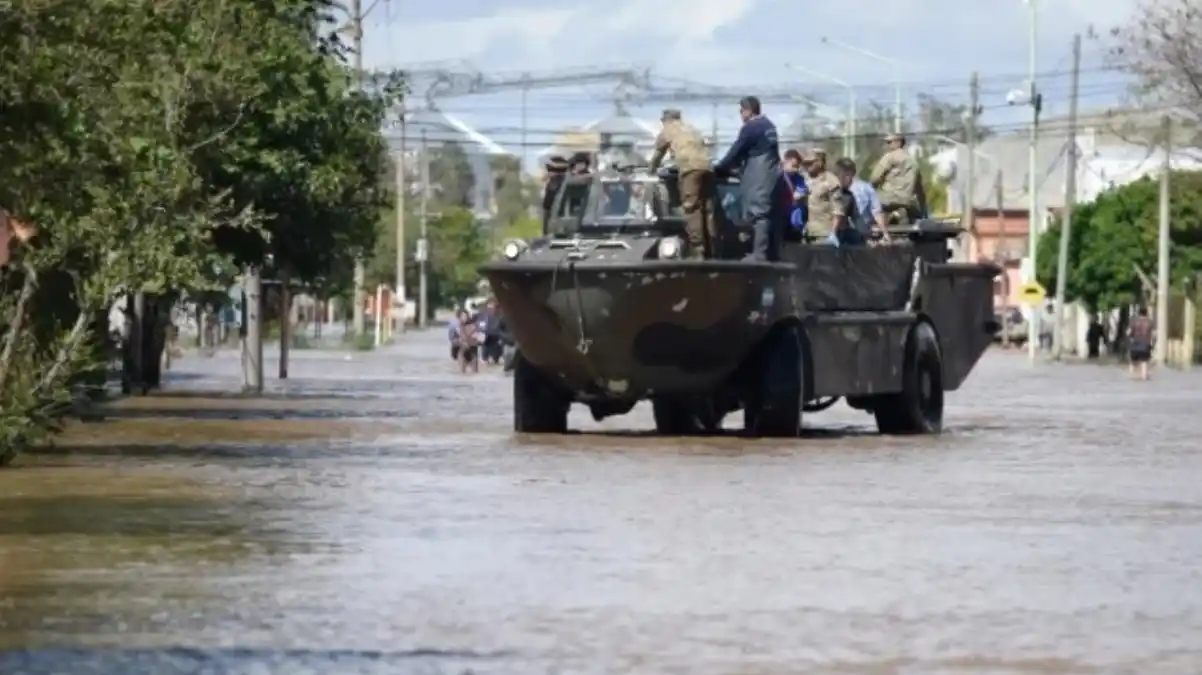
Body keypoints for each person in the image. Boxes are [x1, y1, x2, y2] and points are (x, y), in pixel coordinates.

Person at [714, 96, 784, 262]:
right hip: (770, 174)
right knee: (768, 212)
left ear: (748, 110)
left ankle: (759, 254)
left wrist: (720, 168)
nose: (740, 115)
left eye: (741, 111)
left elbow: (737, 151)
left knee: (758, 212)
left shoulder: (752, 127)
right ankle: (770, 252)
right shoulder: (769, 126)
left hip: (759, 174)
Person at [648, 108, 718, 259]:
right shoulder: (692, 129)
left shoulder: (668, 130)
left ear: (666, 120)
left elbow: (658, 154)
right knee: (707, 208)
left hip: (690, 169)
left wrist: (650, 170)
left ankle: (697, 249)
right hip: (708, 168)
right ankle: (712, 247)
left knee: (691, 209)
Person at [869, 133, 927, 225]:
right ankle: (898, 214)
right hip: (906, 201)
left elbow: (875, 178)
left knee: (868, 209)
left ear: (898, 143)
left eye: (889, 142)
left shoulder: (889, 157)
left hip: (888, 199)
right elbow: (919, 189)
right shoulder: (913, 162)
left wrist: (870, 191)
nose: (886, 145)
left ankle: (881, 224)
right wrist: (923, 209)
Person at [833, 157, 889, 243]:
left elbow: (876, 212)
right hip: (839, 233)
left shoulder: (865, 189)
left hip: (860, 233)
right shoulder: (834, 190)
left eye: (847, 174)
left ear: (852, 174)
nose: (844, 178)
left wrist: (884, 232)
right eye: (840, 174)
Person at [801, 149, 847, 245]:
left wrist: (833, 232)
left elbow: (838, 209)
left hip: (824, 233)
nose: (808, 166)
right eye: (806, 163)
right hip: (807, 232)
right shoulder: (804, 179)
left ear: (820, 162)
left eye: (811, 163)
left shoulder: (831, 181)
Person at [781, 149, 808, 240]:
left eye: (797, 166)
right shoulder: (778, 177)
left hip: (796, 224)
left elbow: (801, 193)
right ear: (786, 161)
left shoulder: (799, 178)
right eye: (794, 165)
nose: (796, 169)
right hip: (782, 222)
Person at [541, 156, 569, 235]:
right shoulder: (551, 183)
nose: (550, 172)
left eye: (552, 170)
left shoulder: (560, 182)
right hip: (551, 214)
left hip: (559, 216)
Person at [1128, 307, 1154, 380]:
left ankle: (1131, 378)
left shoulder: (1134, 321)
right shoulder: (1150, 322)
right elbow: (1154, 335)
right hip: (1145, 345)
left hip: (1135, 344)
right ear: (1146, 313)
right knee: (1144, 362)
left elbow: (1128, 332)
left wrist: (1131, 338)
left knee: (1133, 362)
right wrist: (1153, 344)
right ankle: (1144, 377)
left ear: (1138, 313)